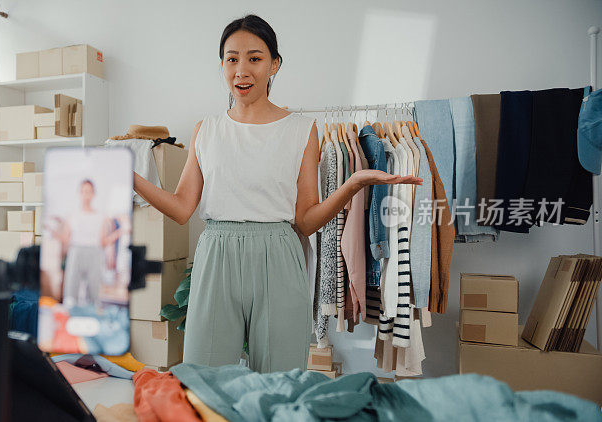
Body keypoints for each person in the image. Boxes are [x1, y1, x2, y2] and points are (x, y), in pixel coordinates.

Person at [133, 15, 422, 373]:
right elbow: (180, 208)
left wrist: (352, 185)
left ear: (274, 64)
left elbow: (306, 220)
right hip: (217, 254)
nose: (242, 70)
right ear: (222, 64)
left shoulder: (302, 130)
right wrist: (130, 178)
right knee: (204, 379)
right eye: (232, 59)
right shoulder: (206, 130)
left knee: (280, 379)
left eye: (254, 58)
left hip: (279, 254)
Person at [60, 179, 121, 308]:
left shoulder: (101, 216)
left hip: (95, 252)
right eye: (83, 191)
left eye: (89, 191)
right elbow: (65, 239)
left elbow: (103, 241)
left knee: (95, 292)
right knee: (71, 291)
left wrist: (120, 232)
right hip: (76, 251)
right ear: (79, 193)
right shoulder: (72, 216)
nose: (86, 194)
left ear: (93, 194)